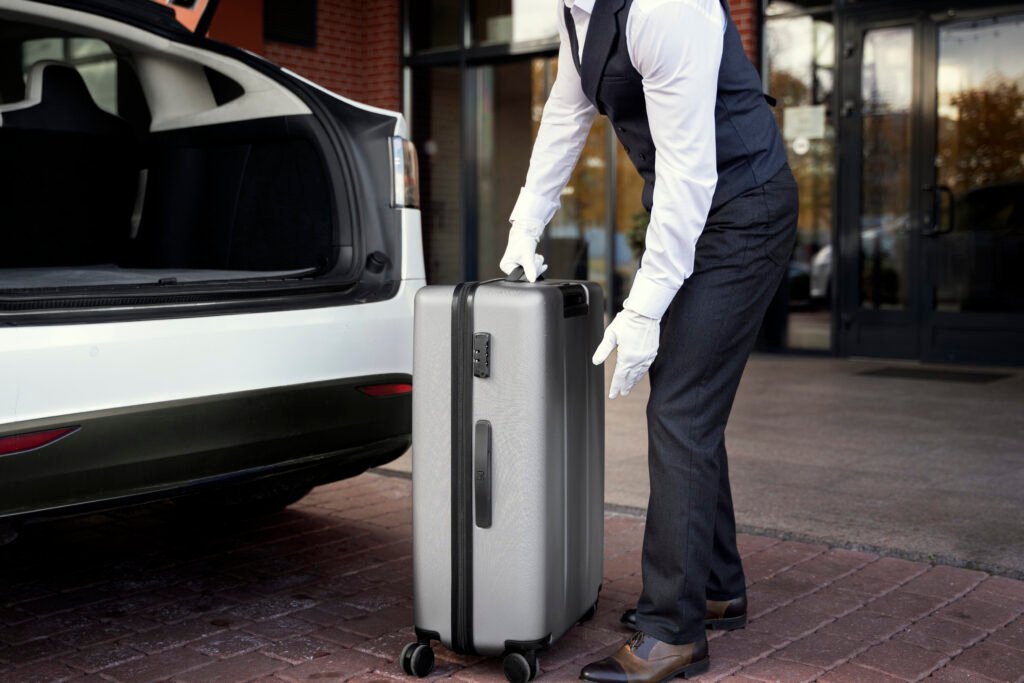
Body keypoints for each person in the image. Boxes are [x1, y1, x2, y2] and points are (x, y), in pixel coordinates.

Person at [498, 0, 798, 680]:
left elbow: (690, 174)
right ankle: (716, 586)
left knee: (680, 407)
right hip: (698, 213)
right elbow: (565, 117)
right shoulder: (577, 15)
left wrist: (643, 310)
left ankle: (673, 631)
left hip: (744, 211)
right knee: (684, 400)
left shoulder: (666, 7)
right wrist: (526, 223)